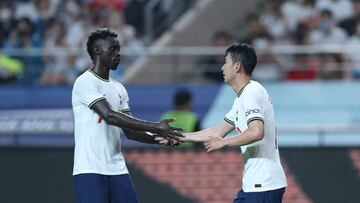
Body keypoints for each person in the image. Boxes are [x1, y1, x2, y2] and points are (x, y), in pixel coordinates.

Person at [159, 43, 287, 202]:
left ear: (237, 67)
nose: (222, 68)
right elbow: (216, 132)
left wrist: (225, 143)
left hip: (264, 184)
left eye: (226, 62)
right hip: (253, 184)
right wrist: (178, 136)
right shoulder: (242, 98)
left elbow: (256, 132)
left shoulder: (252, 92)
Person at [71, 27, 182, 203]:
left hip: (117, 169)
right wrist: (155, 126)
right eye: (113, 49)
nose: (118, 53)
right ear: (97, 51)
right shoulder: (84, 82)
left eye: (119, 49)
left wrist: (160, 138)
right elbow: (109, 116)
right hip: (90, 169)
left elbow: (130, 131)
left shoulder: (119, 88)